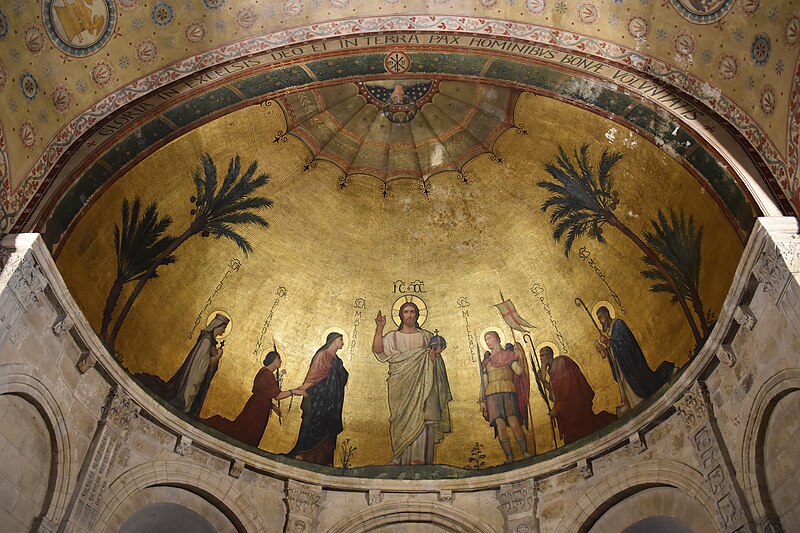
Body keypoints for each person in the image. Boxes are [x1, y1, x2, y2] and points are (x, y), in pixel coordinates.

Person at [372, 302, 453, 465]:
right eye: (406, 312)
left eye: (413, 312)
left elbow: (434, 358)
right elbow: (379, 350)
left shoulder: (426, 336)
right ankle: (398, 457)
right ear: (400, 315)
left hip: (423, 383)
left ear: (417, 315)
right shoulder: (392, 337)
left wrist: (434, 356)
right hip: (399, 383)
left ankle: (418, 457)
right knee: (399, 418)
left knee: (421, 417)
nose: (409, 315)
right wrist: (380, 327)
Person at [201, 350, 306, 447]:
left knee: (248, 431)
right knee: (245, 431)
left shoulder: (264, 372)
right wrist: (294, 392)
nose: (281, 361)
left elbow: (265, 394)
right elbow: (277, 395)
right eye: (279, 359)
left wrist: (272, 406)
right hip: (257, 409)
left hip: (259, 405)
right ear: (273, 360)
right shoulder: (267, 375)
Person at [287, 332, 349, 466]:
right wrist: (303, 388)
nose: (343, 343)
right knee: (315, 422)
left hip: (333, 400)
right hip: (319, 395)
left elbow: (342, 378)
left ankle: (325, 459)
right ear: (333, 340)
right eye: (340, 340)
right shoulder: (323, 355)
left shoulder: (338, 360)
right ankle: (303, 453)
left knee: (329, 426)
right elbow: (314, 374)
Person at [594, 306, 674, 408]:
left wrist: (609, 342)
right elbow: (614, 352)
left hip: (631, 365)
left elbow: (627, 344)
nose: (600, 322)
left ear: (606, 314)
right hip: (622, 368)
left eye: (600, 317)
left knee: (642, 384)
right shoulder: (610, 332)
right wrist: (604, 349)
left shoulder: (618, 324)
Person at [538, 346, 616, 445]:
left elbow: (569, 389)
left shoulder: (561, 363)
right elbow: (555, 394)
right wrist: (543, 381)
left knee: (583, 430)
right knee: (571, 438)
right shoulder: (552, 371)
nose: (540, 359)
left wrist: (557, 409)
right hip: (567, 411)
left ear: (549, 355)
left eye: (542, 355)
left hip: (576, 405)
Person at [480, 331, 532, 463]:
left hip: (508, 390)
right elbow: (484, 383)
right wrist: (481, 400)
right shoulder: (487, 362)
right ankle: (509, 456)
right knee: (500, 425)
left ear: (497, 338)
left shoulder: (509, 355)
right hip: (491, 394)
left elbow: (519, 371)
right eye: (485, 339)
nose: (487, 341)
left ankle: (525, 451)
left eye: (489, 338)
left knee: (513, 421)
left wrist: (520, 357)